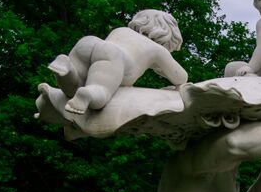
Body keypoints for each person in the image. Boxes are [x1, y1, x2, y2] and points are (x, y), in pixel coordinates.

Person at [48, 10, 187, 114]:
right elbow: (180, 77)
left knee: (73, 88)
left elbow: (103, 49)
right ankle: (88, 93)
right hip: (114, 56)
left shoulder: (121, 30)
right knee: (99, 91)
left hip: (88, 43)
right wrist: (161, 68)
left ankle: (67, 70)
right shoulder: (158, 50)